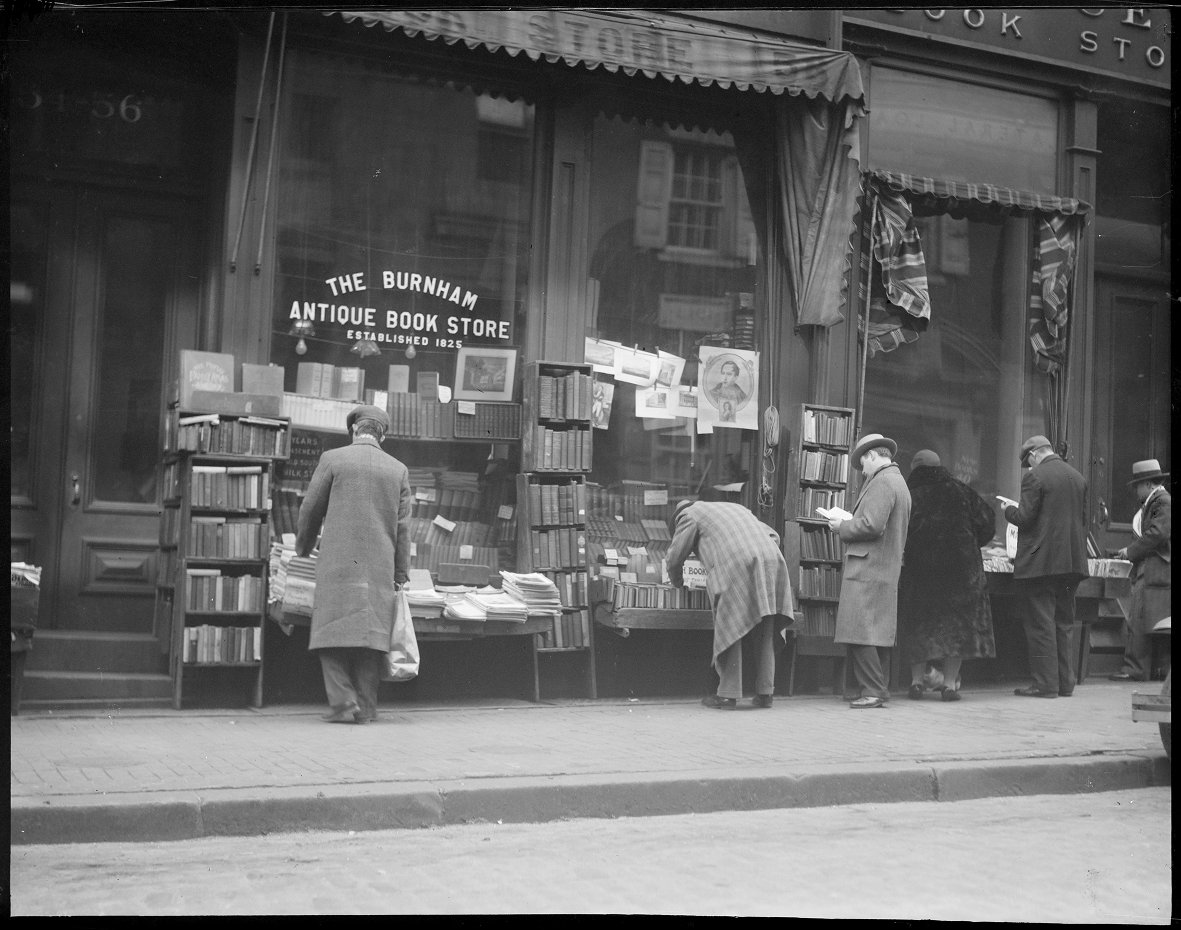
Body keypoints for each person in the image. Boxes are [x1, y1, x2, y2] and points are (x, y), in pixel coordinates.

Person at [296, 404, 412, 724]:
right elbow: (403, 530)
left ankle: (344, 703)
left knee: (330, 633)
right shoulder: (398, 470)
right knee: (371, 639)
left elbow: (310, 509)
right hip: (378, 568)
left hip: (338, 564)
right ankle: (368, 708)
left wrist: (303, 548)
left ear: (353, 431)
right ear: (382, 436)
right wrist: (400, 574)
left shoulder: (333, 459)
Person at [666, 495, 795, 709]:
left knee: (731, 623)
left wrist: (677, 582)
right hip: (773, 560)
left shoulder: (688, 515)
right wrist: (757, 553)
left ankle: (727, 694)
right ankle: (766, 693)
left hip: (736, 563)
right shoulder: (735, 508)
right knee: (765, 624)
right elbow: (774, 535)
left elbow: (675, 557)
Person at [898, 449, 997, 702]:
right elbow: (988, 522)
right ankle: (950, 685)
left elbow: (899, 532)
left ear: (914, 468)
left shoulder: (910, 495)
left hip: (922, 572)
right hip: (961, 573)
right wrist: (972, 543)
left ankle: (917, 682)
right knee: (957, 630)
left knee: (919, 626)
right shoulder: (962, 491)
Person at [826, 433, 911, 709]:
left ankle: (873, 691)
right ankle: (876, 688)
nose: (862, 470)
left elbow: (872, 525)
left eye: (863, 463)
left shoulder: (882, 482)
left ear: (874, 456)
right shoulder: (898, 482)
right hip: (883, 564)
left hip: (868, 565)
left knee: (859, 629)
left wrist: (842, 526)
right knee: (876, 633)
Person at [999, 435, 1088, 698]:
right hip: (1071, 563)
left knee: (1041, 624)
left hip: (1042, 564)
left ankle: (1045, 684)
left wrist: (1008, 510)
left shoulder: (1035, 477)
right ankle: (1065, 683)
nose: (1028, 467)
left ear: (1035, 454)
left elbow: (1025, 519)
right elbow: (1081, 521)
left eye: (1028, 461)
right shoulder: (1078, 477)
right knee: (1064, 622)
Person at [1109, 459, 1171, 682]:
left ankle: (1135, 669)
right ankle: (1153, 670)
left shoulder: (1161, 501)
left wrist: (1130, 551)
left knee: (1140, 617)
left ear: (1146, 484)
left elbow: (1157, 534)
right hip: (1155, 568)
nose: (1136, 490)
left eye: (1137, 485)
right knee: (1149, 619)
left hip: (1155, 568)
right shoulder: (1157, 501)